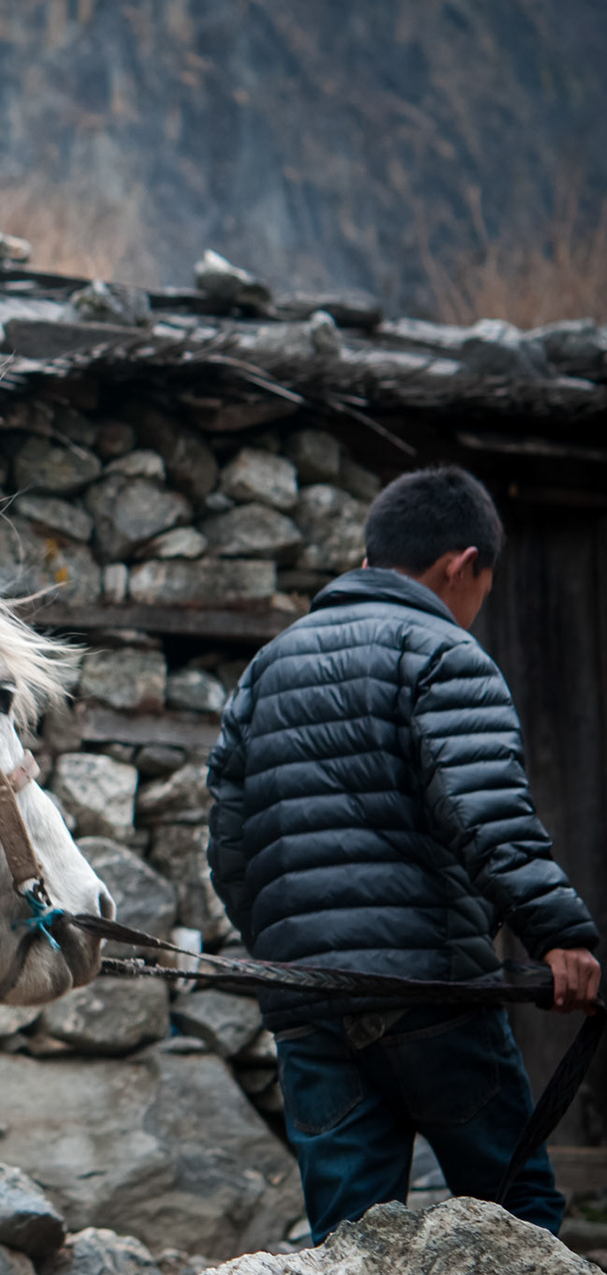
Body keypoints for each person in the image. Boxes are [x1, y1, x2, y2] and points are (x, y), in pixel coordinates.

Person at [206, 464, 601, 1242]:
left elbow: (228, 845)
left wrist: (296, 951)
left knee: (348, 1242)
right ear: (462, 564)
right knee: (522, 1217)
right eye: (481, 587)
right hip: (433, 995)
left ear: (368, 556)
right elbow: (488, 812)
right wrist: (558, 931)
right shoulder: (443, 653)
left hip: (311, 1002)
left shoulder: (268, 667)